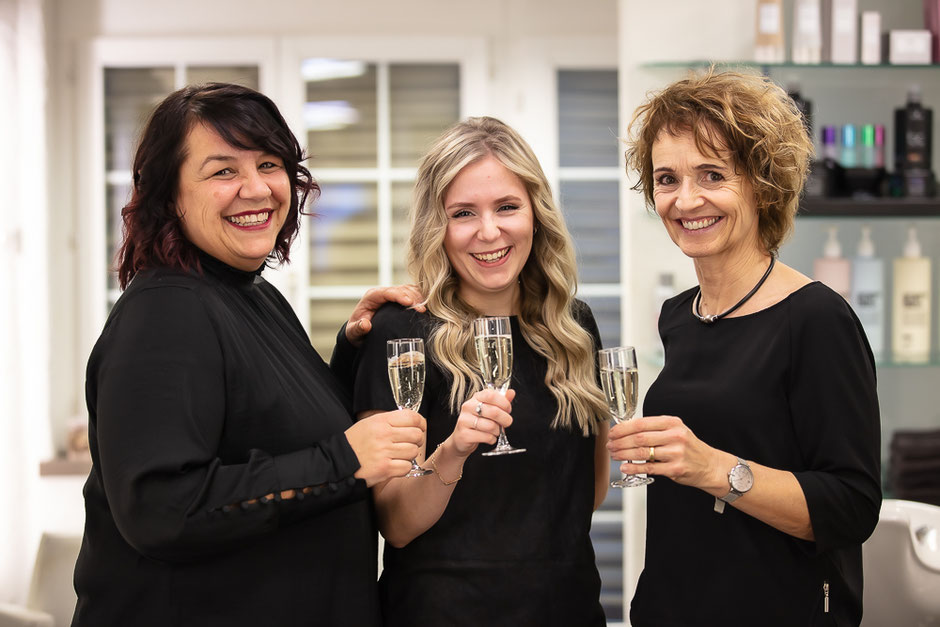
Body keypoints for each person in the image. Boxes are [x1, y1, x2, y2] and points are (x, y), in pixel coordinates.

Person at [72, 82, 428, 626]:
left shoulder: (248, 293)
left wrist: (353, 349)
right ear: (169, 195)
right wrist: (346, 461)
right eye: (223, 171)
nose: (257, 188)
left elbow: (268, 427)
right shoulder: (167, 311)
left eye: (269, 163)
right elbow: (163, 510)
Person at [613, 68, 882, 626]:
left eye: (712, 175)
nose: (686, 200)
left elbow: (851, 506)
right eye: (667, 179)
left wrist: (715, 468)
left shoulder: (817, 319)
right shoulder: (679, 316)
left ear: (761, 183)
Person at [346, 117, 610, 626]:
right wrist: (454, 452)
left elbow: (587, 492)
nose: (489, 232)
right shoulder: (399, 336)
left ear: (536, 213)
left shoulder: (574, 327)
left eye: (507, 207)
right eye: (463, 213)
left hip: (567, 610)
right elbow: (396, 525)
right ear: (437, 228)